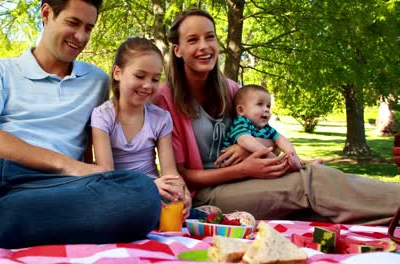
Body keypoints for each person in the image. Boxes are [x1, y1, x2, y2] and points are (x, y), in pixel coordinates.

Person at [0, 0, 161, 249]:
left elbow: (124, 119)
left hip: (51, 186)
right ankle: (13, 220)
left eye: (88, 28)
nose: (81, 36)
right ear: (46, 13)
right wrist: (66, 164)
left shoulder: (97, 81)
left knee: (141, 195)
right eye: (73, 23)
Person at [155, 8, 400, 225]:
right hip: (207, 193)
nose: (204, 46)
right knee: (307, 185)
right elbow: (182, 174)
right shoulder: (166, 100)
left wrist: (247, 148)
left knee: (320, 181)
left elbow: (267, 135)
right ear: (177, 50)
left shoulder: (231, 90)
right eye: (193, 40)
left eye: (210, 37)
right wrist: (244, 169)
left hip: (249, 179)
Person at [90, 37, 191, 219]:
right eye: (140, 76)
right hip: (119, 190)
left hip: (155, 190)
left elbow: (170, 171)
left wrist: (181, 191)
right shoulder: (102, 115)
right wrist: (148, 187)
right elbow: (107, 174)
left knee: (174, 204)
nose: (148, 85)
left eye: (155, 79)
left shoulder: (161, 118)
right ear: (118, 73)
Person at [223, 84, 305, 171]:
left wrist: (292, 154)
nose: (266, 109)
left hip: (254, 165)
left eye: (268, 106)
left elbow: (280, 139)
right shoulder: (241, 122)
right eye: (260, 104)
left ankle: (297, 164)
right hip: (234, 168)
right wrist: (271, 156)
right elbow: (244, 140)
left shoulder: (266, 128)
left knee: (289, 167)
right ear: (241, 110)